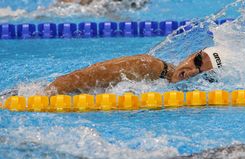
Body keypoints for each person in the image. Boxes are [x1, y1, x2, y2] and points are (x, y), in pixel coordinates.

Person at [44, 46, 230, 95]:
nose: (190, 72)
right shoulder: (146, 66)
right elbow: (71, 80)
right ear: (191, 54)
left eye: (203, 74)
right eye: (197, 61)